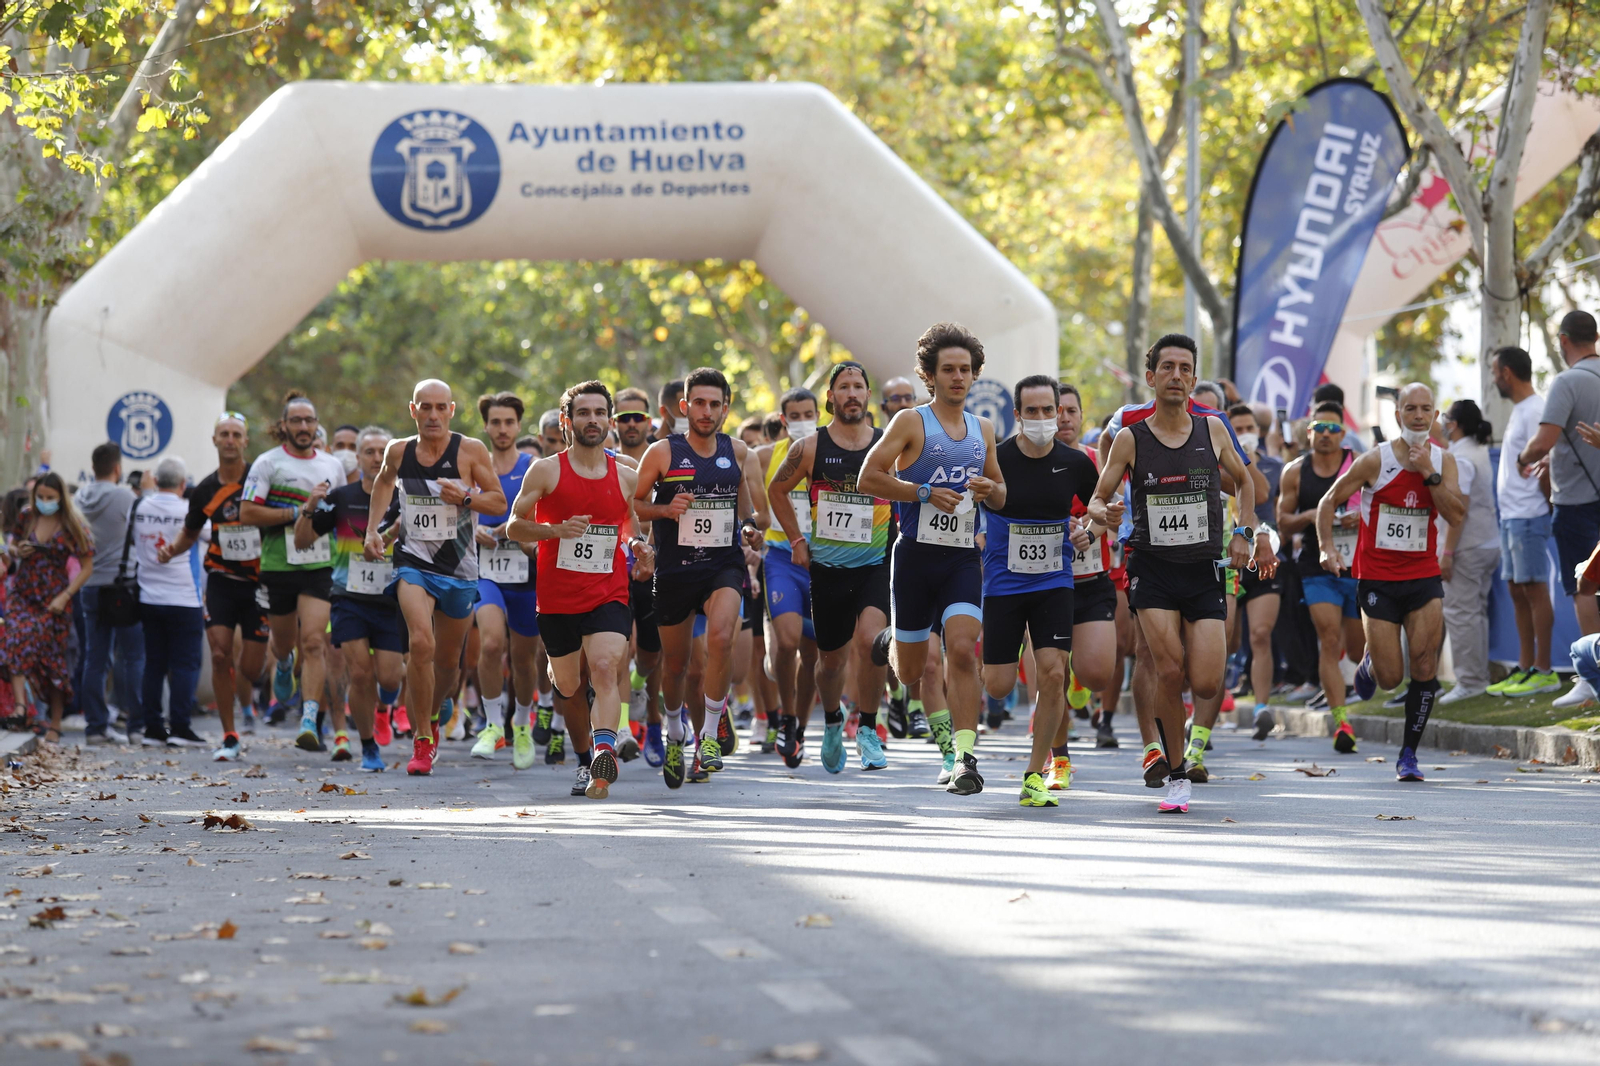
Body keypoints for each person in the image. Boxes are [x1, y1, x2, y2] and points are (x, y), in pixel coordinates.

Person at [1089, 335, 1271, 814]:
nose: (1176, 375)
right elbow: (1098, 496)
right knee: (1168, 670)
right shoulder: (1130, 438)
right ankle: (1175, 773)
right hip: (1152, 569)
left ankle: (1182, 740)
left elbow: (1246, 483)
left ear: (1193, 378)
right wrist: (1104, 512)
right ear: (1151, 378)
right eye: (1166, 367)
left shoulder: (1213, 430)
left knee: (1207, 682)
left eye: (1184, 368)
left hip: (1203, 569)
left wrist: (1244, 533)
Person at [860, 322, 1006, 795]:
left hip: (961, 558)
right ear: (930, 375)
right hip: (915, 558)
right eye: (948, 369)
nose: (958, 377)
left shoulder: (984, 429)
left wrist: (989, 488)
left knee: (962, 649)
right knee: (911, 671)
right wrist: (922, 491)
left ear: (975, 374)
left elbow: (1001, 494)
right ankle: (893, 640)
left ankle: (964, 757)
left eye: (965, 369)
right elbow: (868, 477)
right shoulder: (910, 422)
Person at [507, 381, 654, 798]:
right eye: (584, 413)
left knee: (606, 666)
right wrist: (555, 530)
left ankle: (604, 751)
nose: (593, 420)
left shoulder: (626, 476)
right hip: (557, 599)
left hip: (608, 591)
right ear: (566, 421)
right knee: (569, 686)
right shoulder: (546, 471)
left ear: (609, 420)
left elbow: (628, 524)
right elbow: (514, 526)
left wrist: (638, 545)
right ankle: (584, 757)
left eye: (599, 413)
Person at [1319, 383, 1464, 782]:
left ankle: (1409, 754)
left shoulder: (1444, 461)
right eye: (1410, 409)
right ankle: (1370, 663)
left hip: (1423, 578)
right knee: (1390, 678)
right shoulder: (1375, 460)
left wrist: (1429, 473)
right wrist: (1327, 548)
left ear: (1435, 416)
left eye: (1426, 409)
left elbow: (1456, 515)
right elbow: (1329, 501)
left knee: (1424, 662)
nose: (1418, 416)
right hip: (1378, 579)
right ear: (1398, 414)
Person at [633, 366, 767, 788]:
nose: (706, 411)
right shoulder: (662, 453)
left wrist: (750, 528)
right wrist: (665, 509)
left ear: (726, 408)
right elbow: (635, 504)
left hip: (723, 564)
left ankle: (708, 734)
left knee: (721, 638)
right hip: (675, 571)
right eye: (699, 403)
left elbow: (750, 510)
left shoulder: (738, 452)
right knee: (676, 667)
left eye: (715, 404)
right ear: (684, 406)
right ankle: (675, 731)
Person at [365, 379, 507, 776]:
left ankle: (436, 707)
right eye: (424, 407)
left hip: (459, 569)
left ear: (451, 410)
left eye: (440, 407)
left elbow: (498, 501)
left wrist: (465, 498)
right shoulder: (398, 451)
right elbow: (384, 482)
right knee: (421, 644)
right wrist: (373, 529)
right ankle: (423, 739)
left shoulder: (470, 451)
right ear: (413, 410)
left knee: (447, 663)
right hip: (413, 561)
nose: (432, 415)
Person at [767, 362, 895, 774]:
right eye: (844, 387)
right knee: (831, 662)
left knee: (873, 643)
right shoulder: (810, 448)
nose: (852, 393)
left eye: (858, 386)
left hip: (876, 564)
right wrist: (797, 541)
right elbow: (777, 490)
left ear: (868, 395)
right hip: (827, 568)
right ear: (831, 397)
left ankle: (869, 728)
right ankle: (833, 720)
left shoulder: (887, 444)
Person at [980, 376, 1100, 807]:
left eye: (1049, 410)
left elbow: (1100, 507)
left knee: (1053, 674)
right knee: (998, 686)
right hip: (1004, 583)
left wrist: (1089, 531)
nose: (1042, 418)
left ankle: (1035, 773)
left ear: (1058, 411)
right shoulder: (996, 458)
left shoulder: (1076, 463)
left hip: (1054, 581)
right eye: (1032, 411)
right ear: (1017, 415)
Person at [158, 414, 269, 761]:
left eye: (236, 434)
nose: (230, 440)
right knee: (220, 654)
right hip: (221, 579)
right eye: (224, 434)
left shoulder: (259, 479)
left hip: (259, 583)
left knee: (251, 670)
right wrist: (171, 550)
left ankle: (276, 665)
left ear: (245, 441)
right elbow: (190, 532)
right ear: (215, 440)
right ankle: (230, 735)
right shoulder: (205, 489)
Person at [239, 391, 347, 745]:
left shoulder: (332, 466)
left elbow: (342, 514)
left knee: (314, 641)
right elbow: (247, 512)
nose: (303, 427)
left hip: (320, 563)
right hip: (278, 564)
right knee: (285, 644)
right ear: (283, 425)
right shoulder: (267, 463)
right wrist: (298, 512)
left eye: (309, 420)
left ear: (316, 425)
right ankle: (284, 663)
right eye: (296, 420)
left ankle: (309, 719)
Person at [304, 427, 402, 773]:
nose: (376, 458)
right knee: (360, 673)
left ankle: (385, 706)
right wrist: (309, 508)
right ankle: (369, 746)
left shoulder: (404, 498)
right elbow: (303, 540)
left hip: (390, 599)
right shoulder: (341, 497)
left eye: (382, 452)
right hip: (349, 597)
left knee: (389, 679)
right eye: (369, 452)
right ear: (357, 458)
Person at [1518, 311, 1600, 708]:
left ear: (1564, 340)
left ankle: (1590, 677)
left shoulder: (1567, 381)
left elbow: (1543, 441)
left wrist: (1523, 456)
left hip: (1577, 502)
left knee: (1584, 584)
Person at [1276, 402, 1365, 750]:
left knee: (1357, 650)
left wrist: (1361, 517)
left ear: (1343, 434)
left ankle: (1363, 674)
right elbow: (1283, 522)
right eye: (1319, 428)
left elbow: (1380, 507)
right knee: (1328, 640)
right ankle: (1342, 723)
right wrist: (1315, 515)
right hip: (1317, 566)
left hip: (1357, 566)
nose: (1326, 435)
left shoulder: (1360, 465)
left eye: (1333, 429)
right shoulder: (1295, 472)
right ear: (1309, 432)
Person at [467, 392, 544, 769]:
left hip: (527, 574)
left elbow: (545, 518)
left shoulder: (534, 467)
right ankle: (493, 724)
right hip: (485, 572)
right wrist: (473, 530)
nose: (502, 429)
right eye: (495, 422)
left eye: (508, 422)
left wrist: (515, 530)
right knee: (492, 642)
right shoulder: (472, 466)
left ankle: (522, 724)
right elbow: (455, 514)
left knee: (524, 659)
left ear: (518, 425)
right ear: (485, 426)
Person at [1483, 347, 1559, 700]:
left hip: (1529, 515)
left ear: (1507, 373)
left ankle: (1544, 670)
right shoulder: (1520, 409)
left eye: (1495, 371)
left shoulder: (1536, 409)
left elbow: (1546, 462)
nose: (1493, 378)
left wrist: (1546, 503)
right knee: (1517, 590)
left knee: (1534, 590)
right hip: (1513, 516)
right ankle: (1526, 667)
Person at [1057, 382, 1126, 763]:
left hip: (1092, 574)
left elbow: (1114, 511)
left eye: (1071, 410)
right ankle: (1057, 757)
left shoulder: (1098, 461)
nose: (1064, 418)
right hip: (1043, 580)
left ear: (1082, 417)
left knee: (1100, 668)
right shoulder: (1028, 460)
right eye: (1057, 410)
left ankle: (1082, 678)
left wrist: (1088, 531)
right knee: (1050, 671)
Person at [1, 473, 95, 744]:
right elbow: (12, 546)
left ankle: (55, 723)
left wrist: (65, 596)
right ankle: (21, 707)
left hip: (54, 598)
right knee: (15, 638)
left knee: (53, 662)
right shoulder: (27, 516)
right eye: (40, 497)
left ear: (61, 498)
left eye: (50, 498)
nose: (44, 502)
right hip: (23, 592)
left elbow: (87, 566)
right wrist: (18, 551)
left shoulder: (72, 524)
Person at [758, 387, 822, 766]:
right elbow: (752, 503)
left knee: (811, 654)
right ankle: (785, 715)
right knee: (786, 642)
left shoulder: (830, 454)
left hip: (822, 562)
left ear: (819, 415)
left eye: (808, 414)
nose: (802, 422)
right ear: (783, 420)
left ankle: (799, 727)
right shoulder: (766, 456)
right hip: (781, 557)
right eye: (794, 416)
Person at [132, 457, 208, 747]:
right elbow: (210, 535)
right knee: (185, 665)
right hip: (185, 597)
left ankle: (152, 728)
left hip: (148, 596)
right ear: (183, 484)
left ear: (156, 481)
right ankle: (180, 728)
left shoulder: (138, 507)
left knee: (154, 664)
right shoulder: (190, 510)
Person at [1436, 400, 1503, 702]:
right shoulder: (1475, 451)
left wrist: (1448, 553)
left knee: (1461, 614)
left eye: (1445, 418)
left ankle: (1471, 680)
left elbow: (1458, 509)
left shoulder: (1460, 458)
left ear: (1454, 424)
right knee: (1475, 613)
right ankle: (1477, 677)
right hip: (1485, 543)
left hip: (1467, 547)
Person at [75, 442, 140, 744]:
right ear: (117, 468)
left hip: (89, 585)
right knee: (134, 656)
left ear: (93, 468)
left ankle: (96, 727)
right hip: (122, 585)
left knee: (95, 658)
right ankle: (137, 725)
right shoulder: (125, 497)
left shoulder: (78, 498)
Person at [614, 385, 666, 765]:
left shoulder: (663, 458)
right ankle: (622, 729)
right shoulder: (604, 462)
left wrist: (650, 549)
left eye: (638, 417)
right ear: (613, 423)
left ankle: (642, 696)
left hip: (654, 565)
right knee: (617, 648)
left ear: (650, 420)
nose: (631, 424)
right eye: (624, 417)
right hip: (612, 566)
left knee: (651, 655)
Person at [1225, 402, 1283, 728]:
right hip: (1231, 556)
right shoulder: (1219, 463)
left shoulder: (1274, 466)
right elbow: (1239, 505)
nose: (1246, 434)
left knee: (1261, 634)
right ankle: (1210, 705)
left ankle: (1262, 708)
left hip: (1266, 555)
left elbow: (1267, 498)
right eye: (1239, 430)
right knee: (1228, 640)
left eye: (1250, 428)